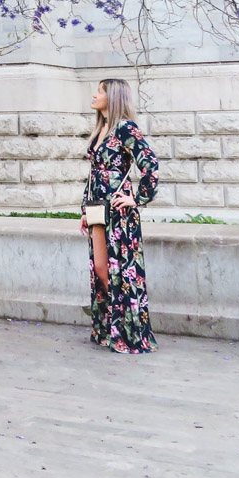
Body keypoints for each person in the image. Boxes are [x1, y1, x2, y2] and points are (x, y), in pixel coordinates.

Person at [81, 78, 159, 353]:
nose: (94, 94)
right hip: (97, 207)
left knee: (119, 272)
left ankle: (127, 332)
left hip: (118, 211)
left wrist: (136, 198)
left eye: (100, 91)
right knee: (101, 269)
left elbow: (150, 164)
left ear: (112, 97)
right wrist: (84, 210)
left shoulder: (126, 128)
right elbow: (93, 174)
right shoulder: (102, 128)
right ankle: (112, 327)